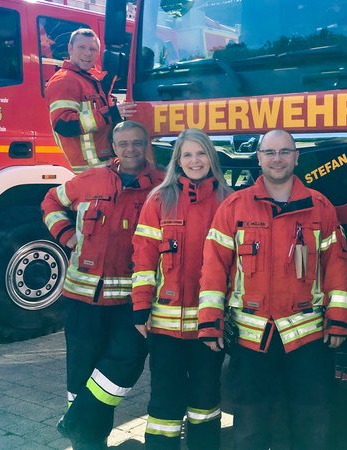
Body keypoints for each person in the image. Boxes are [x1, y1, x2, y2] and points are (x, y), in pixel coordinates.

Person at [197, 129, 347, 450]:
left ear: (296, 157)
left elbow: (336, 266)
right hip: (252, 341)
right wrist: (210, 321)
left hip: (308, 341)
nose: (277, 159)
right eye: (270, 153)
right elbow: (214, 268)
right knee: (250, 427)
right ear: (259, 158)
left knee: (310, 424)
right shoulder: (234, 208)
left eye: (284, 152)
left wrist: (338, 319)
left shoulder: (320, 208)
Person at [41, 121, 163, 450]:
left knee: (128, 360)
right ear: (114, 146)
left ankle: (75, 421)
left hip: (128, 301)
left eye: (137, 143)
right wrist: (67, 236)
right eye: (123, 143)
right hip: (81, 297)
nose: (131, 149)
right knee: (81, 372)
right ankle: (89, 443)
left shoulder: (161, 185)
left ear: (146, 144)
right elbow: (51, 202)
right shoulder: (91, 179)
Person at [131, 129, 233, 450]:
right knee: (164, 403)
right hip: (165, 328)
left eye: (201, 153)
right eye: (187, 155)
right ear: (177, 161)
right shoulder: (159, 200)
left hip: (210, 328)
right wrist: (140, 309)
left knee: (205, 401)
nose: (194, 161)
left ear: (211, 158)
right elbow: (144, 259)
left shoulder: (229, 201)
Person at [45, 28, 136, 173]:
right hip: (87, 172)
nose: (88, 53)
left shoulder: (91, 80)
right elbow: (64, 124)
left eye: (93, 49)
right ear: (70, 48)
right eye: (82, 47)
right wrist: (110, 113)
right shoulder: (64, 80)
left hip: (102, 168)